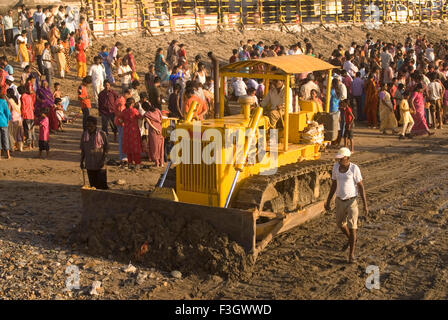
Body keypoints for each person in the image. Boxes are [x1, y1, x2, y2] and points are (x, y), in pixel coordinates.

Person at [325, 147, 368, 264]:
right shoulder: (335, 167)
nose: (339, 160)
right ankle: (351, 239)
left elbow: (361, 186)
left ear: (347, 158)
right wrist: (328, 200)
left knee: (352, 227)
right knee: (340, 224)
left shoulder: (354, 168)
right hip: (339, 200)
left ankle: (351, 255)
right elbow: (334, 185)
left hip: (352, 201)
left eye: (341, 158)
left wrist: (365, 204)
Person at [80, 116, 109, 189]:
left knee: (102, 186)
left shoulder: (102, 134)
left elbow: (106, 148)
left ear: (95, 125)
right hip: (89, 164)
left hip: (100, 164)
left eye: (91, 126)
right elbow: (83, 150)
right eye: (88, 126)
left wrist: (103, 161)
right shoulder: (84, 135)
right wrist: (81, 161)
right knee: (93, 186)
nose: (89, 128)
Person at [119, 97, 142, 168]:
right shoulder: (134, 110)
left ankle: (130, 162)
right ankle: (137, 163)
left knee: (128, 147)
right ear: (132, 103)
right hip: (134, 131)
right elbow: (140, 117)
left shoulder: (124, 111)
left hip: (126, 131)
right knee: (135, 147)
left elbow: (120, 119)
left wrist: (124, 123)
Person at [144, 101, 164, 167]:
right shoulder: (158, 110)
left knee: (154, 147)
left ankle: (157, 163)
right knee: (161, 146)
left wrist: (156, 129)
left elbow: (150, 124)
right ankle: (161, 163)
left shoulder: (147, 114)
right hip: (160, 129)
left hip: (153, 131)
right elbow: (161, 119)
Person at [0, 94, 11, 159]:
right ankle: (8, 155)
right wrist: (8, 120)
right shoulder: (3, 102)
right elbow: (7, 113)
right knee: (5, 138)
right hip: (3, 122)